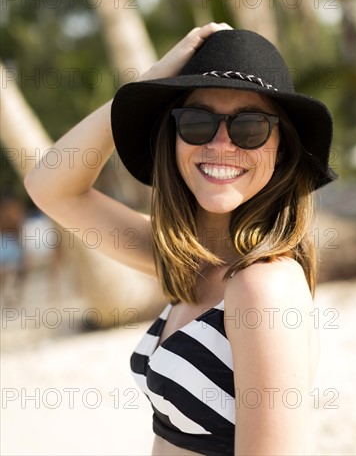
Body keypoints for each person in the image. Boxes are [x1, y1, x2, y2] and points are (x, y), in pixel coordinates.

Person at [24, 23, 337, 455]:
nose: (221, 143)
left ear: (281, 149)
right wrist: (148, 83)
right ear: (173, 139)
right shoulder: (189, 260)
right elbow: (50, 186)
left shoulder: (261, 288)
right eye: (196, 122)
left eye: (250, 127)